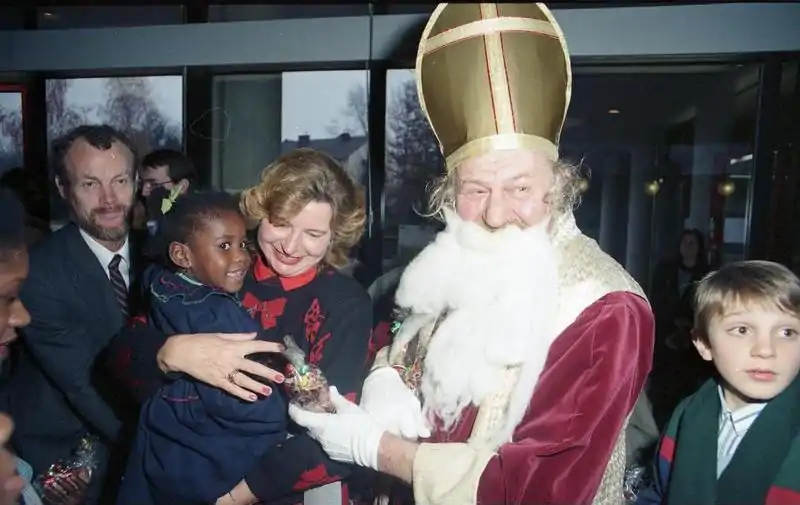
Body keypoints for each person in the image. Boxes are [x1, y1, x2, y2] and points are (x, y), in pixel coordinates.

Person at [287, 4, 654, 505]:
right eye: (476, 189)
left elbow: (540, 489)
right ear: (448, 195)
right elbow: (403, 352)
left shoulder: (605, 307)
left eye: (519, 186)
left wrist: (378, 449)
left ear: (559, 185)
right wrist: (385, 378)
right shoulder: (458, 267)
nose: (496, 214)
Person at [107, 148, 374, 504]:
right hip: (175, 469)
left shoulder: (345, 303)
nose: (291, 247)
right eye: (281, 222)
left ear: (334, 236)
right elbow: (119, 357)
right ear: (261, 213)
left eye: (312, 233)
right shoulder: (221, 264)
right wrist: (170, 353)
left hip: (274, 492)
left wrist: (234, 498)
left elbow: (341, 434)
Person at [117, 191, 288, 505]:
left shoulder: (161, 282)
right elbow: (254, 403)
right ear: (182, 256)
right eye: (224, 246)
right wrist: (284, 410)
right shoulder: (220, 314)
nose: (240, 257)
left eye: (242, 244)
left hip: (164, 447)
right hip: (207, 464)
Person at [6, 125, 143, 505]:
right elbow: (86, 384)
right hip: (69, 463)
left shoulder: (161, 255)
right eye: (89, 184)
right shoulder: (40, 273)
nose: (109, 198)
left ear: (136, 182)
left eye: (119, 181)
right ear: (63, 189)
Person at [637, 260, 800, 504]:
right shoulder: (688, 414)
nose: (766, 350)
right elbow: (660, 493)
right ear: (703, 343)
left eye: (787, 332)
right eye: (742, 330)